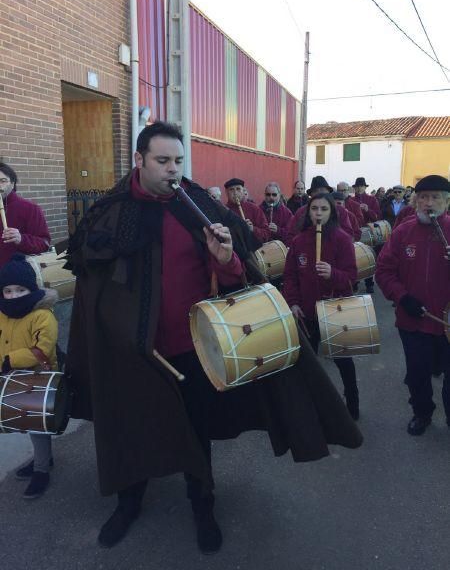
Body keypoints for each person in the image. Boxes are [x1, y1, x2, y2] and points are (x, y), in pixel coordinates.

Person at [65, 121, 362, 554]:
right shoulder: (112, 212)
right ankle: (128, 503)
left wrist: (226, 261)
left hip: (193, 349)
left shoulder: (198, 206)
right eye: (162, 161)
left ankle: (202, 504)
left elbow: (238, 273)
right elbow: (93, 285)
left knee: (194, 430)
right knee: (131, 429)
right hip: (134, 353)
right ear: (140, 161)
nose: (172, 170)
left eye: (178, 161)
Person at [376, 175, 450, 436]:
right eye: (423, 197)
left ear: (446, 201)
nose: (428, 203)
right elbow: (383, 270)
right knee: (418, 374)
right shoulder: (403, 232)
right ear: (416, 200)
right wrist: (402, 296)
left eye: (435, 197)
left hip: (447, 323)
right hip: (413, 320)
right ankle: (422, 412)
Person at [283, 193, 360, 419]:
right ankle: (310, 405)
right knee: (307, 363)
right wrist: (293, 303)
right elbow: (290, 276)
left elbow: (352, 277)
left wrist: (332, 273)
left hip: (336, 308)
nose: (318, 213)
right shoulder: (298, 241)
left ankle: (352, 403)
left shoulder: (342, 239)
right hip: (307, 311)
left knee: (344, 361)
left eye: (324, 209)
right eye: (314, 209)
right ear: (308, 212)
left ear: (332, 213)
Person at [0, 254, 58, 498]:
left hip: (37, 379)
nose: (14, 296)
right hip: (10, 377)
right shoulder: (3, 313)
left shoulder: (43, 315)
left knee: (36, 426)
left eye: (20, 290)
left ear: (31, 289)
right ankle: (44, 459)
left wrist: (8, 360)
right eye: (8, 291)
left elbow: (41, 350)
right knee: (23, 424)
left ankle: (42, 470)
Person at [0, 162, 51, 267]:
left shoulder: (30, 208)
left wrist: (21, 239)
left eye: (2, 181)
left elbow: (44, 243)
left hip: (16, 274)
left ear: (12, 183)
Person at [286, 176, 354, 246]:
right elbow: (291, 237)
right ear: (311, 195)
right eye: (316, 191)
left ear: (328, 193)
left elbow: (348, 236)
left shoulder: (340, 211)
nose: (319, 194)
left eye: (322, 190)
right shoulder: (301, 212)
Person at [224, 178, 270, 246]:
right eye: (231, 189)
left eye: (238, 189)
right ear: (226, 193)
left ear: (243, 191)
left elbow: (267, 234)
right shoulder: (224, 210)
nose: (235, 193)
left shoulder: (254, 208)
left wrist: (252, 229)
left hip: (253, 251)